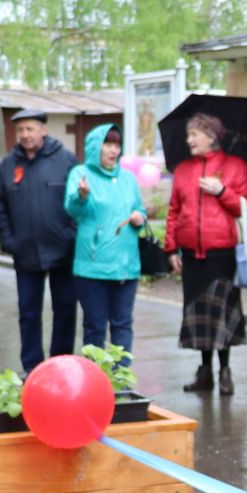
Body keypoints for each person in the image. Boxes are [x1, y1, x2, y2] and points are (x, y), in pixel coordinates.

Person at [164, 113, 247, 394]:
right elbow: (173, 211)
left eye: (194, 134)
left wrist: (222, 190)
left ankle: (225, 371)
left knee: (221, 315)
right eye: (189, 134)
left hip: (221, 254)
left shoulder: (235, 166)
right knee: (198, 316)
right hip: (191, 255)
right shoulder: (183, 170)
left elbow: (244, 207)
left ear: (211, 136)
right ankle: (205, 372)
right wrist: (171, 248)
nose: (189, 140)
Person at [0, 109, 79, 372]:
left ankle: (60, 364)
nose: (25, 135)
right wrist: (8, 240)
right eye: (20, 130)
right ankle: (32, 368)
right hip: (26, 252)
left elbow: (79, 202)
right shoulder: (9, 165)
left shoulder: (65, 160)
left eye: (30, 129)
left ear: (43, 130)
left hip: (62, 251)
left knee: (65, 310)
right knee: (28, 313)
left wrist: (71, 236)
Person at [65, 124, 146, 361]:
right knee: (95, 327)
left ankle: (122, 381)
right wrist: (81, 196)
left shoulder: (128, 178)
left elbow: (139, 208)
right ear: (95, 147)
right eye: (107, 144)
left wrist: (139, 217)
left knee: (122, 324)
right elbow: (72, 210)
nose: (113, 150)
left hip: (125, 266)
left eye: (117, 145)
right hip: (92, 267)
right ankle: (95, 380)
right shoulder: (81, 174)